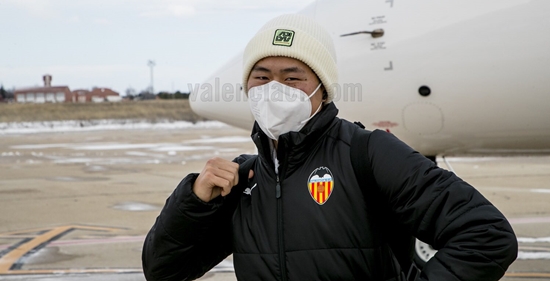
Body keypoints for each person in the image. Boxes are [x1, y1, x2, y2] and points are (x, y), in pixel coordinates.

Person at [142, 14, 518, 281]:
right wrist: (193, 203)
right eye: (262, 77)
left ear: (322, 88)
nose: (275, 89)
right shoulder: (244, 180)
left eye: (293, 78)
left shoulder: (368, 153)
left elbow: (486, 235)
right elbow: (163, 271)